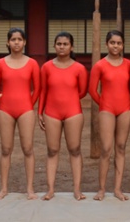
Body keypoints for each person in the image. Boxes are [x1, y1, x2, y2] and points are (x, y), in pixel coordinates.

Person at [0, 28, 40, 200]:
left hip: (26, 109)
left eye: (20, 39)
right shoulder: (0, 63)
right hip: (5, 110)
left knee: (28, 148)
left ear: (25, 42)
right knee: (6, 149)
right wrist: (5, 103)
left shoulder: (32, 63)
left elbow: (37, 88)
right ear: (8, 42)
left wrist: (28, 104)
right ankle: (3, 188)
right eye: (13, 39)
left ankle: (30, 189)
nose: (16, 42)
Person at [38, 31, 88, 201]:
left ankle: (77, 189)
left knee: (74, 150)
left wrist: (69, 100)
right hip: (52, 112)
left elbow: (82, 92)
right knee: (52, 151)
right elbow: (44, 90)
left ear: (71, 47)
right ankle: (50, 189)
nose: (62, 47)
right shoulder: (46, 67)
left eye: (65, 44)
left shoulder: (79, 68)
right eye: (59, 44)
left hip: (73, 112)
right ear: (54, 46)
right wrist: (40, 112)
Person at [89, 30, 130, 201]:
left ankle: (117, 188)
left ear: (123, 45)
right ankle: (101, 189)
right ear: (107, 44)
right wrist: (104, 104)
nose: (116, 46)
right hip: (106, 109)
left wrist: (129, 105)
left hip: (125, 109)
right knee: (106, 149)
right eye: (113, 43)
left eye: (119, 43)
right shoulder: (99, 65)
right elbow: (92, 90)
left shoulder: (129, 64)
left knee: (121, 147)